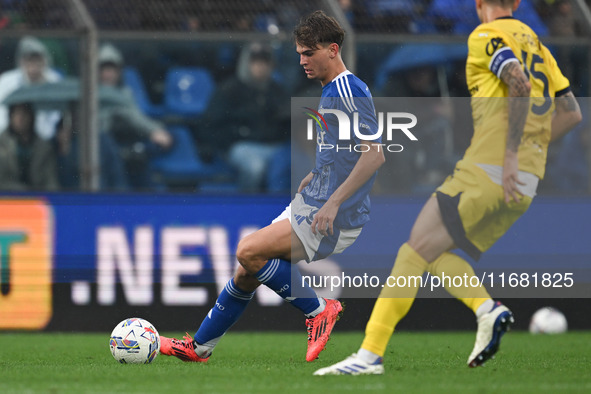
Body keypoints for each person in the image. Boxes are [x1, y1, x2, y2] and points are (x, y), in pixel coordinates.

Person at [314, 0, 582, 375]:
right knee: (434, 252)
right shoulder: (537, 43)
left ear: (478, 5)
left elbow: (517, 84)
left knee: (412, 251)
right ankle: (486, 310)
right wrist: (524, 156)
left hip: (489, 170)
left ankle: (369, 355)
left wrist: (508, 155)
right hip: (526, 181)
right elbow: (571, 112)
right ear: (517, 4)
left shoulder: (487, 34)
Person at [159, 10, 385, 363]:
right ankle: (199, 347)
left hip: (333, 213)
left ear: (333, 49)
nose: (302, 61)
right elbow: (345, 149)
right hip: (317, 199)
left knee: (249, 251)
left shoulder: (347, 90)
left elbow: (373, 156)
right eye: (299, 54)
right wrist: (319, 172)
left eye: (309, 53)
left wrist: (333, 202)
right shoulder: (332, 90)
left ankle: (317, 310)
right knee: (246, 271)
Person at [203, 42, 290, 192]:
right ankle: (250, 207)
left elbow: (287, 123)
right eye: (256, 62)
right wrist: (238, 136)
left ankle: (282, 210)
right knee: (255, 167)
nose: (261, 67)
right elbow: (212, 125)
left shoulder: (277, 91)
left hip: (275, 146)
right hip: (241, 146)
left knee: (295, 164)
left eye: (265, 62)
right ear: (246, 63)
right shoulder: (229, 90)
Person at [97, 43, 172, 189]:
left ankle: (149, 205)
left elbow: (135, 116)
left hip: (124, 141)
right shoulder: (91, 91)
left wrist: (156, 130)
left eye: (112, 69)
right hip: (101, 144)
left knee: (140, 154)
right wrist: (152, 130)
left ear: (118, 72)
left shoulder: (124, 92)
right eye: (104, 69)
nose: (108, 74)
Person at [0, 36, 62, 140]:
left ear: (45, 61)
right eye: (29, 60)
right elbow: (1, 112)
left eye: (37, 60)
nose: (33, 66)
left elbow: (56, 115)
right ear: (22, 62)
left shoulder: (54, 80)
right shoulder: (7, 80)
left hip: (45, 139)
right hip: (11, 137)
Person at [0, 102, 58, 190]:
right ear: (10, 116)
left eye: (24, 113)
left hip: (39, 198)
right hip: (8, 199)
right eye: (16, 113)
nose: (20, 118)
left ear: (31, 116)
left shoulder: (43, 147)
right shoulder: (2, 144)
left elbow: (51, 180)